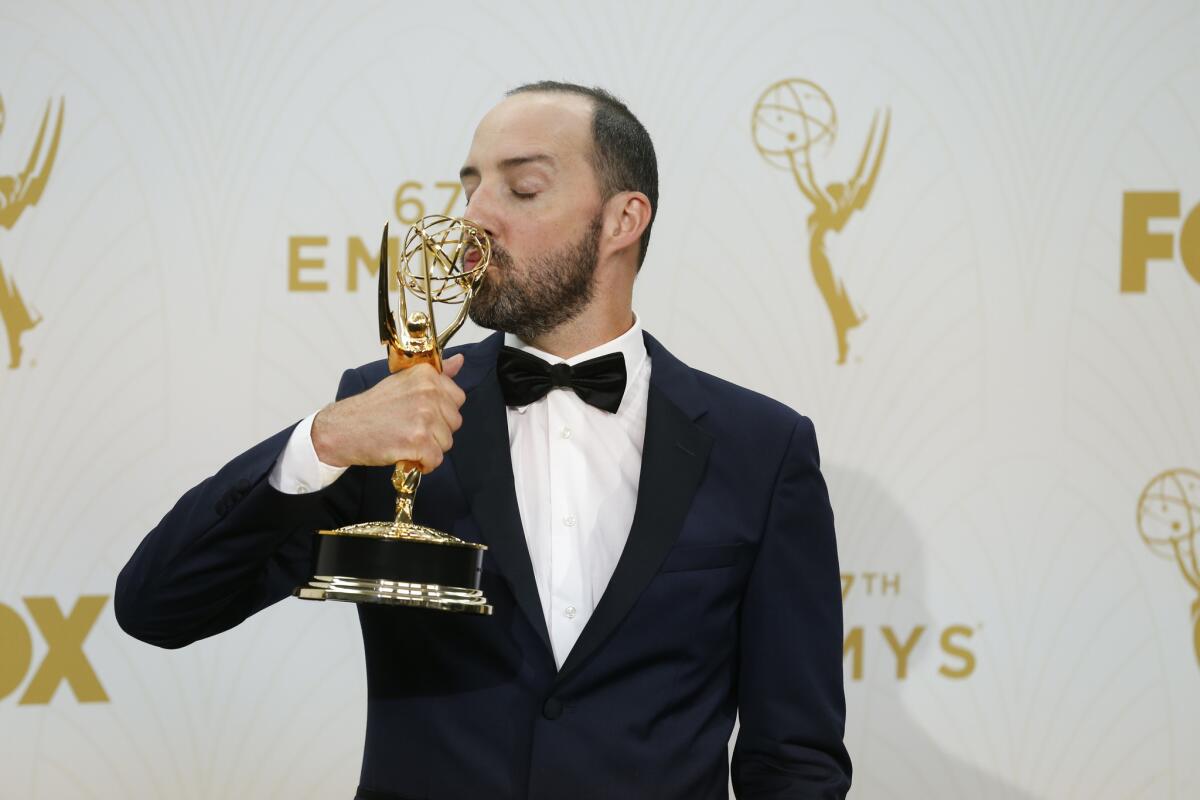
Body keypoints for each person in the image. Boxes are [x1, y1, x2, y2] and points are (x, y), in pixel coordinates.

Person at [115, 81, 851, 800]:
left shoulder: (762, 448)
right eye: (470, 188)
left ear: (624, 220)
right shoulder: (388, 414)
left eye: (522, 189)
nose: (475, 217)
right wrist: (324, 439)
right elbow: (158, 607)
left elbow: (793, 760)